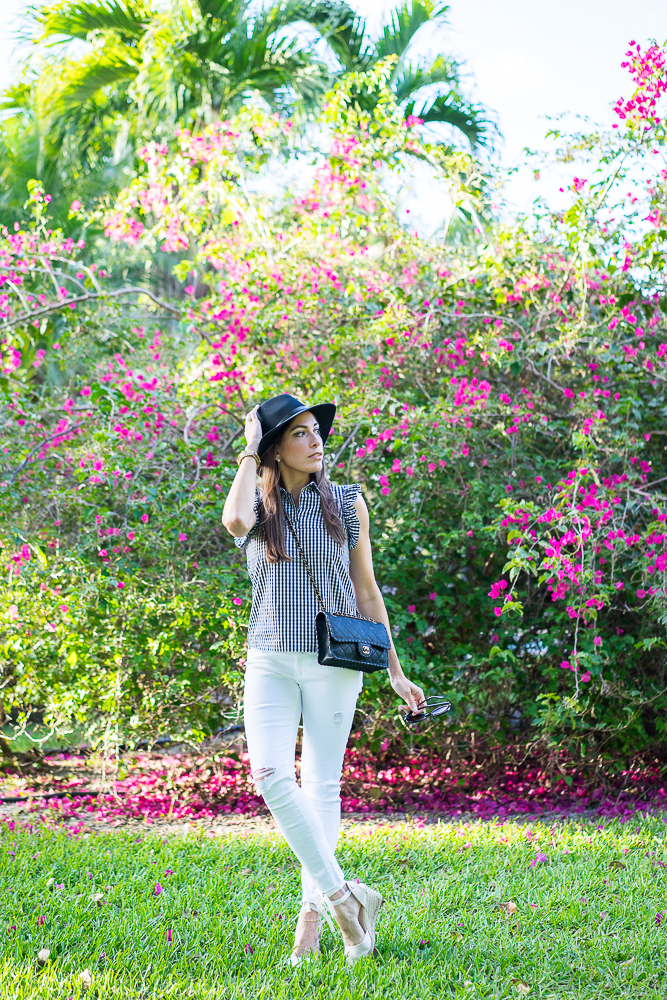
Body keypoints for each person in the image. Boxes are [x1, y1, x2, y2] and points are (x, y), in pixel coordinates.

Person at [222, 393, 424, 965]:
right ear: (274, 449)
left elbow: (367, 591)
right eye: (299, 434)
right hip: (268, 656)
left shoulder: (347, 501)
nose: (315, 441)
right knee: (269, 775)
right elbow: (234, 520)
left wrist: (395, 670)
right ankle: (347, 898)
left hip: (335, 660)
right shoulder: (260, 507)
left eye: (317, 431)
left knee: (321, 789)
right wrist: (247, 452)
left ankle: (311, 927)